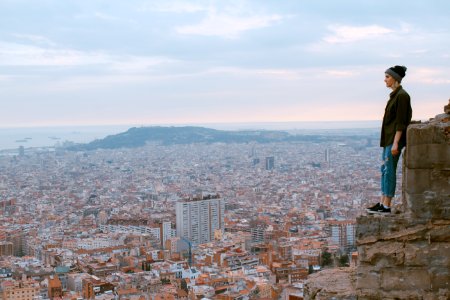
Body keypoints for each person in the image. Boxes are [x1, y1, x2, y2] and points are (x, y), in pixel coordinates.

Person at [367, 65, 412, 214]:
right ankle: (382, 202)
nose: (385, 79)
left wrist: (396, 143)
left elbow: (401, 122)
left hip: (394, 141)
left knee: (389, 171)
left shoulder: (402, 96)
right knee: (385, 170)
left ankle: (387, 205)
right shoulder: (395, 95)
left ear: (395, 79)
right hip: (389, 140)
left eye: (387, 77)